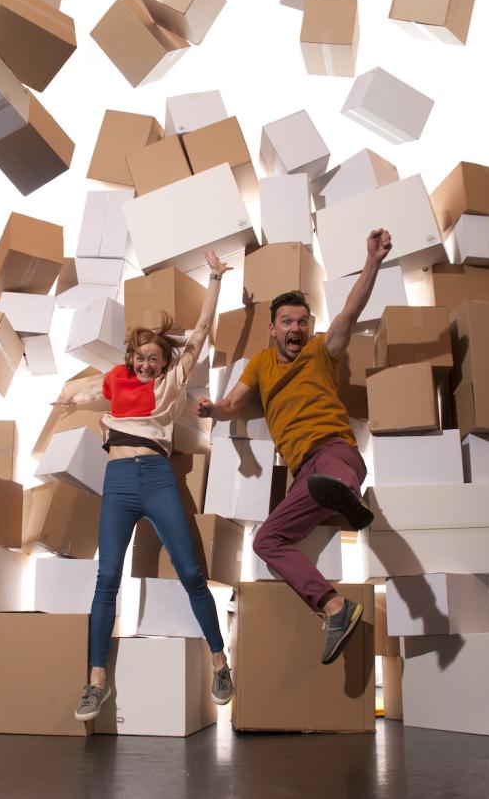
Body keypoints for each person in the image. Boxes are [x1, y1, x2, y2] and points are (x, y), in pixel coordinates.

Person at [197, 229, 392, 665]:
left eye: (302, 321)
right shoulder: (260, 365)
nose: (296, 328)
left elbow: (352, 310)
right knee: (266, 540)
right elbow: (232, 405)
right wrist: (213, 409)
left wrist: (373, 261)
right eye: (287, 321)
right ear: (272, 328)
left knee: (333, 470)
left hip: (336, 450)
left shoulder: (323, 350)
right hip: (305, 473)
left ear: (310, 327)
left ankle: (347, 492)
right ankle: (335, 607)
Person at [53, 252, 234, 721]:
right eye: (141, 357)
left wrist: (214, 279)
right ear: (130, 357)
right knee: (106, 577)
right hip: (118, 483)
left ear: (164, 363)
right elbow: (81, 392)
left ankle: (219, 661)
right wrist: (66, 401)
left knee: (192, 571)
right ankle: (95, 681)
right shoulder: (114, 382)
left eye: (155, 358)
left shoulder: (172, 383)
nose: (148, 364)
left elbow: (199, 333)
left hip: (155, 478)